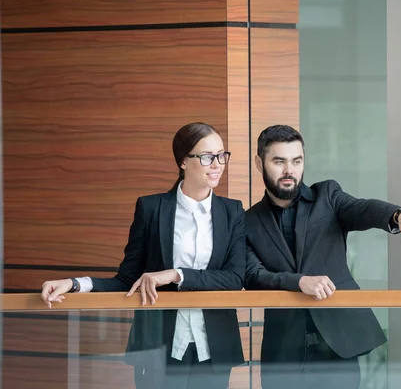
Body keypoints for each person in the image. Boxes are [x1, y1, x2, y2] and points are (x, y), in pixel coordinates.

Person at [40, 122, 246, 389]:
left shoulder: (233, 212)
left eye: (221, 155)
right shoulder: (151, 208)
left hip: (214, 346)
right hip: (158, 345)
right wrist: (75, 284)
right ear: (183, 161)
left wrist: (176, 274)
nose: (217, 164)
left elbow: (234, 277)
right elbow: (127, 280)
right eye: (207, 157)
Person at [245, 125, 401, 389]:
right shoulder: (247, 221)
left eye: (297, 161)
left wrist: (399, 216)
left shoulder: (327, 196)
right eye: (279, 161)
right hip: (283, 353)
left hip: (338, 348)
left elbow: (361, 208)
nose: (289, 171)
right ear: (259, 163)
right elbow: (252, 277)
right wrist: (299, 282)